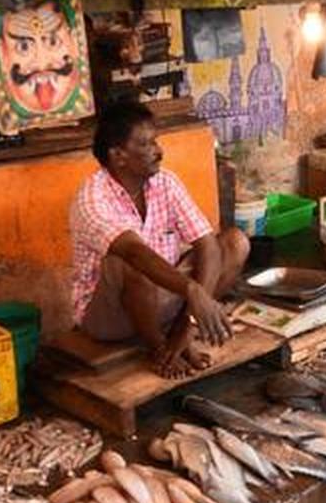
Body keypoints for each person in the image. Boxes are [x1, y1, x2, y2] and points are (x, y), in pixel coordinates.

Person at [70, 102, 249, 379]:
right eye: (146, 144)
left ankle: (178, 340)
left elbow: (207, 244)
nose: (159, 151)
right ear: (119, 156)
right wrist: (192, 291)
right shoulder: (92, 199)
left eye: (156, 141)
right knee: (128, 262)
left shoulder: (165, 182)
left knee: (235, 242)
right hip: (110, 317)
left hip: (161, 301)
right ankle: (159, 349)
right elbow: (134, 254)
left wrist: (186, 326)